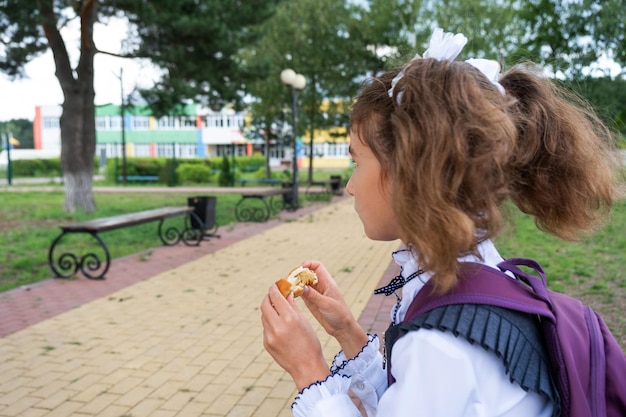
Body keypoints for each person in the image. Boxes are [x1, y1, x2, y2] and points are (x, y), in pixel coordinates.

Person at [260, 28, 618, 417]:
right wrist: (348, 332)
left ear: (410, 173)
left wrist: (308, 371)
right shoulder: (480, 275)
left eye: (356, 161)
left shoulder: (439, 342)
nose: (349, 186)